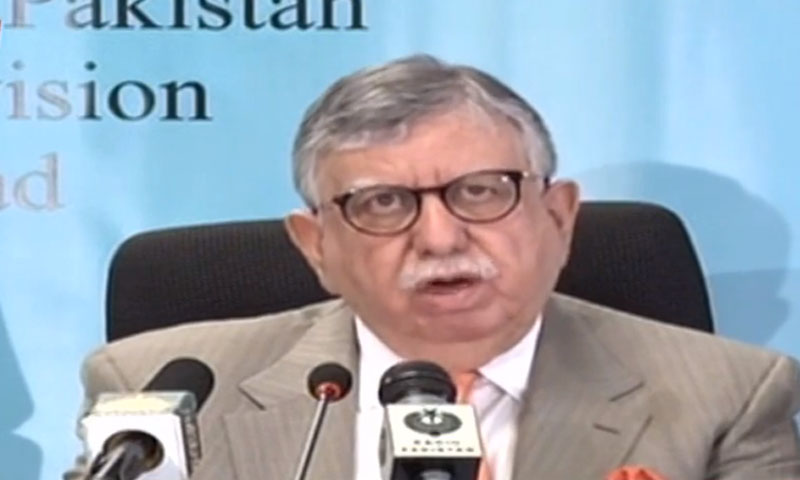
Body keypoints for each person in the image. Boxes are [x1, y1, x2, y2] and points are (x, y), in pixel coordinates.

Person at [65, 55, 800, 480]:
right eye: (383, 203)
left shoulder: (728, 398)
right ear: (316, 245)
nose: (441, 238)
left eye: (481, 192)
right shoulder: (159, 389)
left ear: (559, 217)